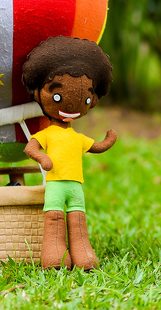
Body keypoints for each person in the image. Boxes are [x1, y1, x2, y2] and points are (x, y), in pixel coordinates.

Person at [21, 36, 116, 270]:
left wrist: (108, 140)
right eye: (57, 96)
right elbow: (31, 147)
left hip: (75, 186)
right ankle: (54, 256)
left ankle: (83, 256)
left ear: (91, 100)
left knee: (78, 220)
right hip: (55, 184)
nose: (71, 106)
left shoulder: (77, 137)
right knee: (54, 218)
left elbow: (95, 146)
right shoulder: (48, 133)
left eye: (84, 98)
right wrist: (43, 158)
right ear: (38, 95)